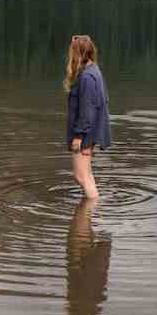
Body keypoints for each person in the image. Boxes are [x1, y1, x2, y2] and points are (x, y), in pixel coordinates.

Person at [64, 34, 111, 199]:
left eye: (72, 51)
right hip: (90, 131)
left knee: (81, 176)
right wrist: (80, 40)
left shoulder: (86, 77)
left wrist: (78, 136)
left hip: (85, 133)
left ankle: (91, 208)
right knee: (87, 175)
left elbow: (87, 110)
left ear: (78, 54)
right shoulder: (94, 70)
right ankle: (88, 214)